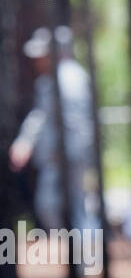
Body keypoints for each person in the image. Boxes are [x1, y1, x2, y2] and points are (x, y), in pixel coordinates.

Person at [9, 26, 97, 233]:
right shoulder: (54, 79)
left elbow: (74, 121)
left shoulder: (68, 79)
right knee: (66, 206)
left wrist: (65, 151)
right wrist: (25, 142)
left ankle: (83, 254)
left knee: (61, 206)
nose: (37, 60)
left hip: (64, 157)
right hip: (60, 157)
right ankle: (82, 254)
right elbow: (41, 116)